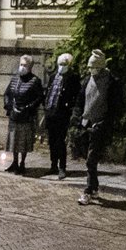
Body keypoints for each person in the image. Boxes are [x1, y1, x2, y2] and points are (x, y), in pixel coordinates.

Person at [77, 50, 123, 205]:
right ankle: (95, 188)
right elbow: (81, 100)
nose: (92, 71)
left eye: (94, 67)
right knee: (88, 159)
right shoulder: (87, 81)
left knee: (91, 159)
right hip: (86, 123)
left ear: (102, 67)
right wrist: (78, 119)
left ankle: (88, 191)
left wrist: (105, 123)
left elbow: (116, 106)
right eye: (90, 68)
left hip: (100, 125)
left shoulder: (111, 82)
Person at [3, 55, 44, 173]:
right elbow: (7, 94)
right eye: (21, 64)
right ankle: (14, 162)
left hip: (26, 116)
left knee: (23, 142)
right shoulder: (15, 79)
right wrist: (9, 106)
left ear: (30, 67)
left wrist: (28, 108)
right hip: (14, 115)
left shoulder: (35, 81)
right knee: (14, 140)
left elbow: (39, 97)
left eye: (25, 65)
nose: (22, 67)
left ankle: (22, 163)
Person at [43, 52, 81, 180]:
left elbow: (76, 96)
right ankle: (53, 164)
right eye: (60, 64)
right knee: (52, 141)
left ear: (68, 65)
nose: (61, 66)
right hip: (51, 112)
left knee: (60, 141)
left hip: (62, 114)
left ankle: (62, 167)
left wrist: (71, 111)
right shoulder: (54, 77)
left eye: (64, 64)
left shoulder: (72, 78)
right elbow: (49, 92)